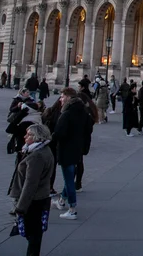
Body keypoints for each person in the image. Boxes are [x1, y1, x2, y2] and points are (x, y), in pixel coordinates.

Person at [9, 123, 55, 256]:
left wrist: (20, 207)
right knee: (35, 233)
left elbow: (30, 183)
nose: (24, 137)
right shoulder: (43, 150)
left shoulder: (36, 156)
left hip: (34, 200)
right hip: (40, 197)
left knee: (33, 234)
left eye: (28, 134)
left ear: (37, 137)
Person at [52, 88, 90, 220]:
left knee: (68, 179)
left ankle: (72, 209)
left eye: (62, 97)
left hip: (67, 149)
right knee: (70, 175)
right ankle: (62, 201)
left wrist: (51, 138)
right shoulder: (83, 111)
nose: (60, 99)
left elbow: (59, 132)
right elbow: (88, 128)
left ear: (68, 97)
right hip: (77, 148)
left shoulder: (67, 113)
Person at [75, 91, 97, 193]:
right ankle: (78, 184)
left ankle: (77, 184)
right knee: (79, 162)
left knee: (77, 163)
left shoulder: (84, 112)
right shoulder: (89, 110)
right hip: (84, 140)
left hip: (80, 139)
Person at [41, 98, 63, 196]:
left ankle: (45, 187)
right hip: (54, 143)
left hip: (45, 141)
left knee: (45, 166)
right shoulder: (61, 114)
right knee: (52, 166)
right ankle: (49, 187)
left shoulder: (49, 111)